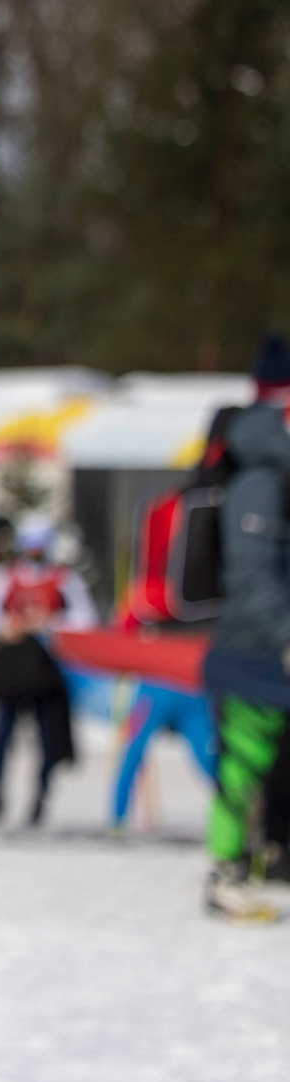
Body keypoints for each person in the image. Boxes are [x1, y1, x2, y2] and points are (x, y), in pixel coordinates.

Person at [204, 333, 290, 918]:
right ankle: (228, 869)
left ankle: (269, 857)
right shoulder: (259, 479)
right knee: (243, 766)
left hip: (274, 652)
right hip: (253, 653)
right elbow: (251, 573)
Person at [0, 515, 98, 827]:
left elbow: (87, 619)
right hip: (13, 670)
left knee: (47, 736)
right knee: (1, 735)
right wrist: (6, 626)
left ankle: (39, 799)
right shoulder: (6, 576)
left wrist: (50, 623)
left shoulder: (64, 579)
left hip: (45, 670)